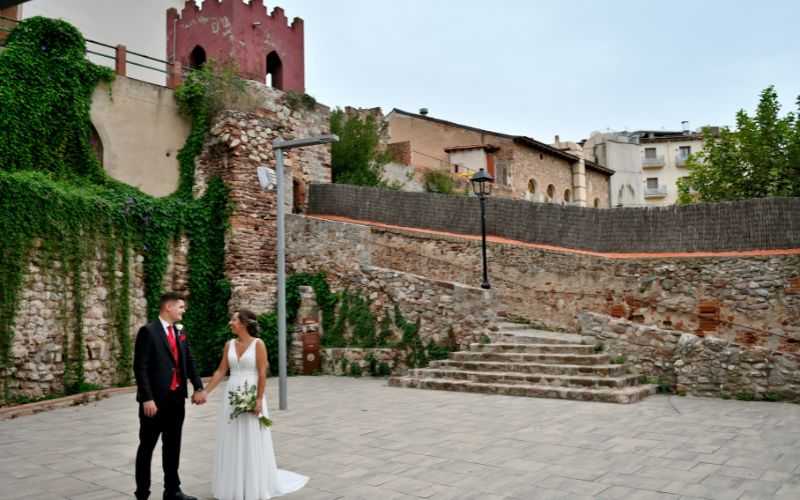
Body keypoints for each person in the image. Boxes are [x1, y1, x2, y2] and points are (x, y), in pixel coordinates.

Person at [204, 309, 308, 500]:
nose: (230, 322)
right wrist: (205, 392)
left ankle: (253, 485)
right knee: (232, 437)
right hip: (232, 395)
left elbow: (262, 373)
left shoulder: (258, 344)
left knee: (251, 438)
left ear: (244, 323)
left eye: (234, 319)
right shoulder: (229, 345)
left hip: (252, 392)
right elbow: (221, 371)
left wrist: (259, 399)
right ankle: (233, 485)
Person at [133, 292, 207, 500]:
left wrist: (198, 387)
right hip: (154, 403)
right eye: (181, 307)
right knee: (147, 447)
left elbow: (189, 360)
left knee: (173, 446)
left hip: (176, 400)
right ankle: (142, 494)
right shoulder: (148, 332)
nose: (184, 310)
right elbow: (141, 367)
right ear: (168, 307)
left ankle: (172, 490)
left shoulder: (180, 331)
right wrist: (147, 398)